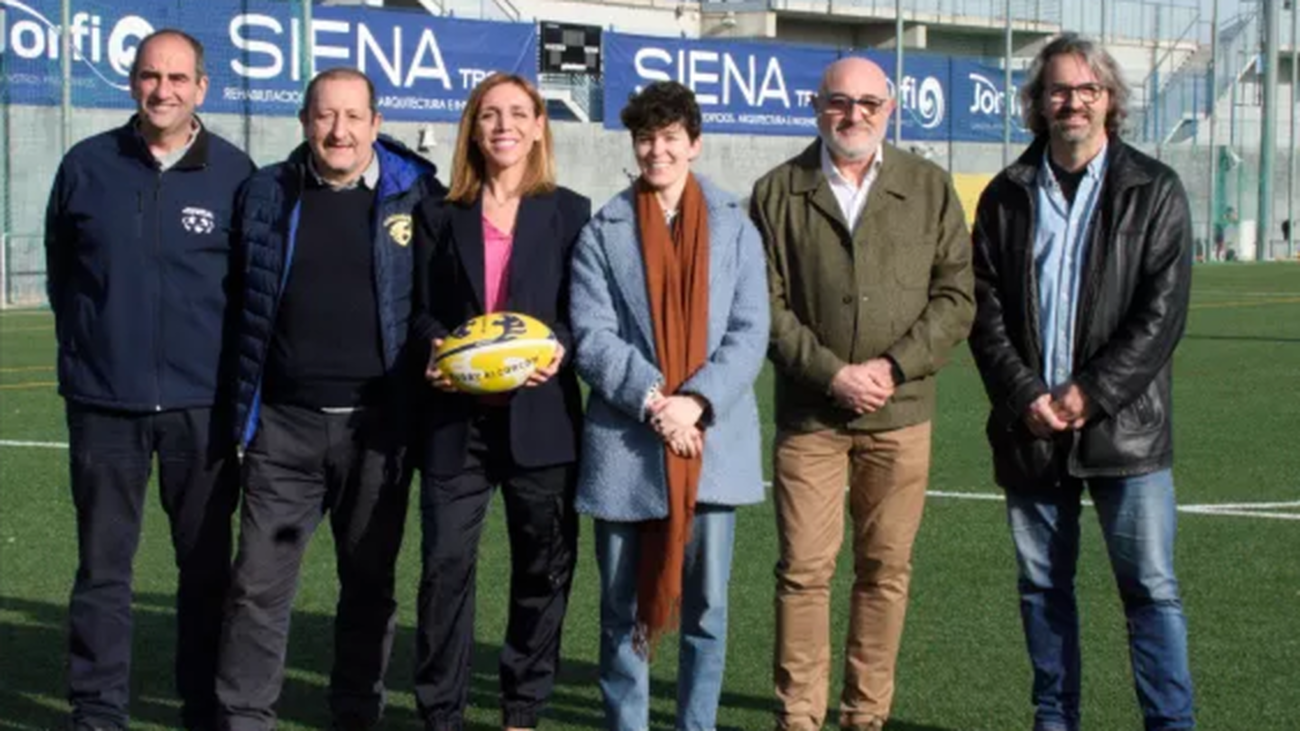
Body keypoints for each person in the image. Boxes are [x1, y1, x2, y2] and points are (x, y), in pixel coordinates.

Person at [968, 33, 1195, 731]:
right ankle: (1055, 720)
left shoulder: (1153, 189)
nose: (1072, 102)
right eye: (1058, 90)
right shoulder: (1007, 193)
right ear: (1037, 103)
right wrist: (1023, 395)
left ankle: (1171, 723)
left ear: (1110, 99)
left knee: (1150, 589)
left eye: (1086, 89)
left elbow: (1161, 314)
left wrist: (1089, 392)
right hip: (1032, 431)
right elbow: (985, 308)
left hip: (1125, 433)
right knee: (1042, 588)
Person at [216, 67, 445, 730]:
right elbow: (235, 305)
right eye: (324, 116)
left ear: (377, 123)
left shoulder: (418, 196)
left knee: (369, 587)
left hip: (377, 431)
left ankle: (355, 713)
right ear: (305, 121)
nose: (338, 130)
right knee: (255, 587)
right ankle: (244, 717)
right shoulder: (263, 193)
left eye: (352, 116)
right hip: (283, 430)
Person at [751, 57, 975, 731]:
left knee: (884, 572)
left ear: (891, 106)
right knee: (804, 571)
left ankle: (865, 715)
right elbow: (766, 307)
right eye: (839, 103)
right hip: (811, 418)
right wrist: (832, 373)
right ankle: (799, 715)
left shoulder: (929, 187)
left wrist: (892, 366)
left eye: (868, 104)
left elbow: (956, 296)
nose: (853, 116)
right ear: (816, 106)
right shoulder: (776, 191)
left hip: (900, 417)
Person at [43, 29, 255, 731]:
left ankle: (201, 706)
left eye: (176, 78)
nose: (162, 89)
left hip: (202, 408)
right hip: (105, 405)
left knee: (204, 577)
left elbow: (248, 290)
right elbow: (64, 275)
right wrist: (90, 354)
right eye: (149, 76)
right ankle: (98, 711)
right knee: (103, 573)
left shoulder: (235, 173)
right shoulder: (86, 165)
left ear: (202, 87)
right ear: (133, 82)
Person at [569, 80, 770, 731]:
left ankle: (696, 724)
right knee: (622, 608)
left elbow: (750, 332)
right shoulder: (605, 229)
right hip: (630, 445)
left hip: (710, 445)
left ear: (694, 143)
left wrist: (697, 403)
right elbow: (591, 334)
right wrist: (657, 401)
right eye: (646, 139)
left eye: (669, 138)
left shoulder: (737, 226)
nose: (657, 151)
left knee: (706, 611)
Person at [409, 73, 588, 731]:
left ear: (540, 125)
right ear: (473, 129)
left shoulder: (570, 210)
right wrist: (436, 349)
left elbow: (580, 313)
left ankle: (521, 711)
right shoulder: (437, 212)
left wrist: (558, 347)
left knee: (541, 571)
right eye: (489, 115)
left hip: (542, 422)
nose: (503, 126)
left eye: (517, 113)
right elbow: (420, 311)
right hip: (457, 421)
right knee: (444, 569)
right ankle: (440, 714)